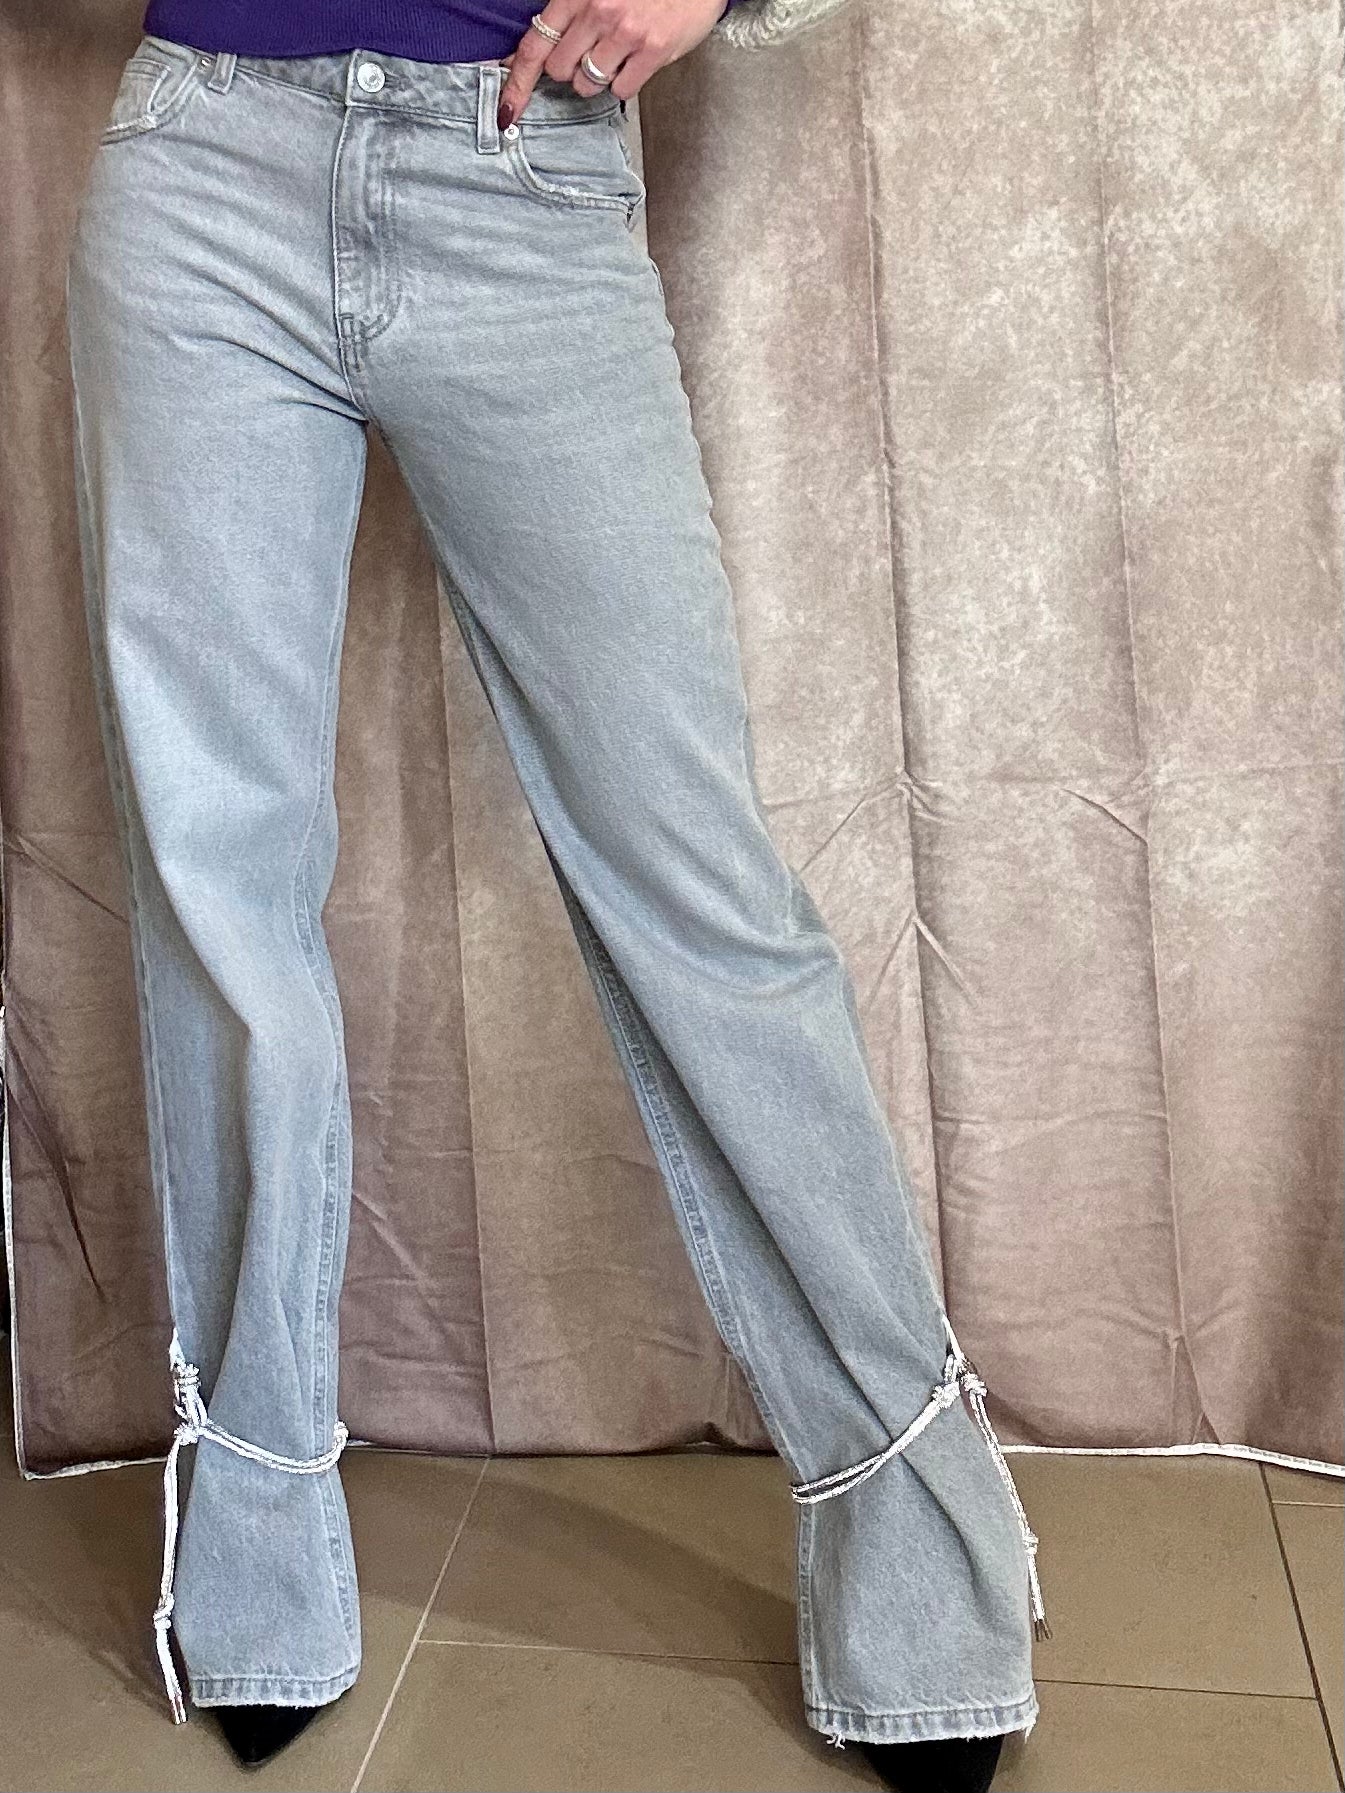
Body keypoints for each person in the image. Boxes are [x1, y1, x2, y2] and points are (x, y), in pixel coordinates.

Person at [66, 1, 1048, 1787]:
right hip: (202, 158)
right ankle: (259, 1558)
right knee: (220, 897)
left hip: (514, 170)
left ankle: (920, 1561)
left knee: (697, 890)